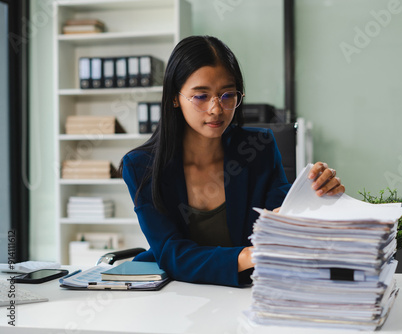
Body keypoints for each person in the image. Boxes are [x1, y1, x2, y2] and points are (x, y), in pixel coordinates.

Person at [120, 35, 345, 287]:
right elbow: (171, 253)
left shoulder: (258, 148)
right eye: (201, 96)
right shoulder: (141, 166)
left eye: (227, 95)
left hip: (249, 291)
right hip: (176, 292)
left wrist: (314, 195)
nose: (217, 109)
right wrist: (249, 255)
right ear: (174, 97)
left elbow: (280, 221)